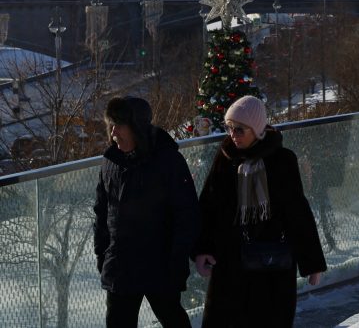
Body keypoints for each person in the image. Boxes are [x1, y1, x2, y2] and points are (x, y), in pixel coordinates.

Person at [193, 96, 326, 327]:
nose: (233, 134)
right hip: (230, 263)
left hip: (272, 263)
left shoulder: (282, 161)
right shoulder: (225, 159)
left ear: (256, 129)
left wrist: (312, 262)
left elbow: (297, 211)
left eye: (239, 129)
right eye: (229, 128)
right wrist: (202, 249)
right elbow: (208, 205)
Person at [93, 96, 200, 328]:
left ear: (137, 128)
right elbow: (101, 213)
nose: (113, 134)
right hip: (120, 268)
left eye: (119, 126)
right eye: (111, 127)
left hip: (160, 268)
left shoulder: (168, 161)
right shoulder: (110, 162)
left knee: (173, 320)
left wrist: (177, 263)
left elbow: (186, 214)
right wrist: (103, 255)